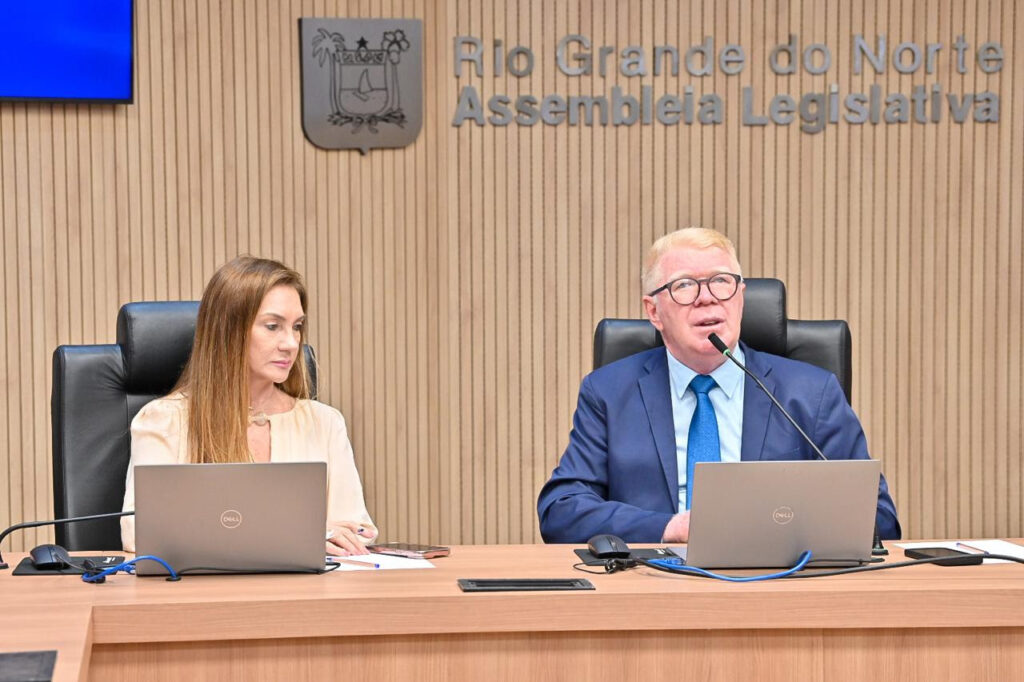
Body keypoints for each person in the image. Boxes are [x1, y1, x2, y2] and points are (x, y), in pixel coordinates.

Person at [537, 227, 900, 544]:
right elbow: (561, 511)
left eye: (721, 281)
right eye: (684, 285)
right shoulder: (609, 393)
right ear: (653, 311)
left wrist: (765, 531)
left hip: (777, 582)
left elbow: (877, 517)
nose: (707, 297)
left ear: (741, 296)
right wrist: (669, 527)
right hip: (651, 581)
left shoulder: (811, 393)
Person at [121, 256, 377, 556]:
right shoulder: (163, 421)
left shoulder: (325, 423)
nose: (291, 343)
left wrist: (331, 535)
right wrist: (297, 535)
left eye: (296, 327)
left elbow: (357, 531)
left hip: (308, 585)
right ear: (229, 331)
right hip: (204, 586)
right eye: (273, 326)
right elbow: (141, 532)